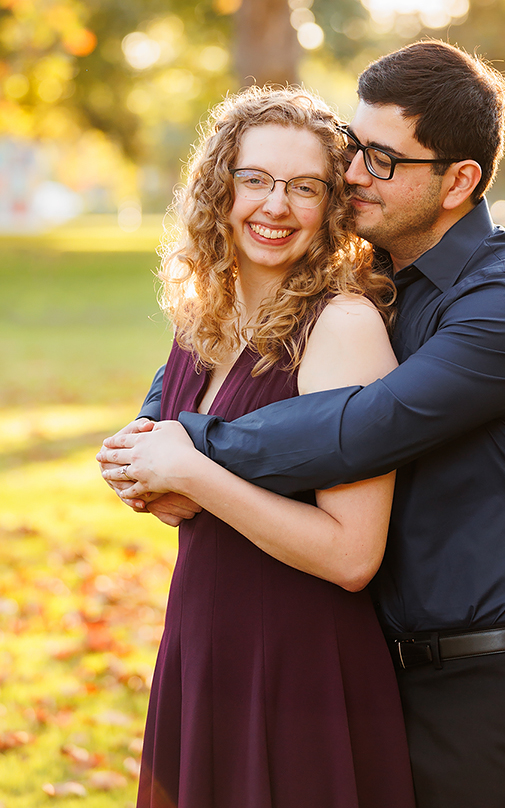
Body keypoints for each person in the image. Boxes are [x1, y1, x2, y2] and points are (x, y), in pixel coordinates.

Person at [101, 41, 505, 808]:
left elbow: (360, 429)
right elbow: (178, 396)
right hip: (378, 659)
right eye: (356, 150)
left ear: (460, 180)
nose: (355, 173)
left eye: (383, 160)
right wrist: (145, 444)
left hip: (490, 680)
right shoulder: (375, 278)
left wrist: (191, 453)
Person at [100, 86, 416, 808]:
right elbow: (187, 477)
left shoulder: (342, 328)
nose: (276, 206)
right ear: (221, 187)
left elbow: (353, 555)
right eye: (256, 180)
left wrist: (192, 474)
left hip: (300, 669)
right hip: (205, 645)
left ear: (333, 204)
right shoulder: (202, 321)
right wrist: (141, 475)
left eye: (304, 187)